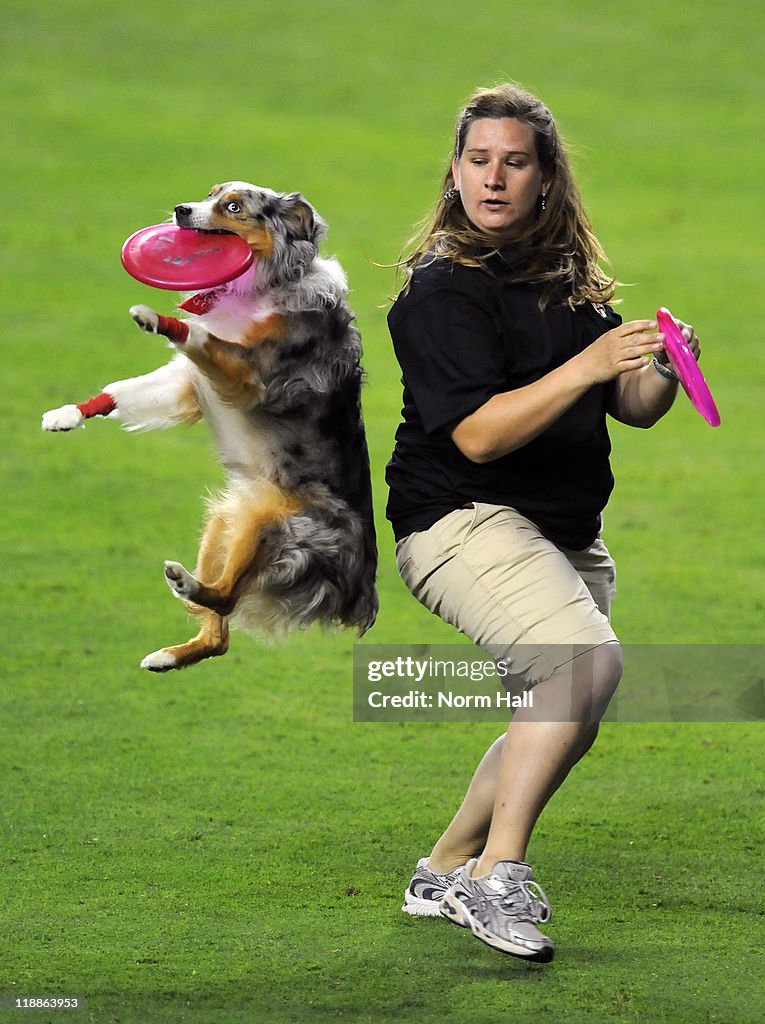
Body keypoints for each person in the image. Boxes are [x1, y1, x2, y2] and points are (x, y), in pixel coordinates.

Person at [385, 83, 701, 963]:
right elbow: (479, 436)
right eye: (478, 161)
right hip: (459, 519)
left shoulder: (561, 278)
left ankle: (443, 868)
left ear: (544, 178)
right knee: (580, 668)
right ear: (454, 174)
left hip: (559, 530)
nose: (494, 179)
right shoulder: (440, 293)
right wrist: (585, 365)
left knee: (567, 700)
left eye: (513, 162)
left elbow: (630, 406)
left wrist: (663, 366)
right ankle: (496, 877)